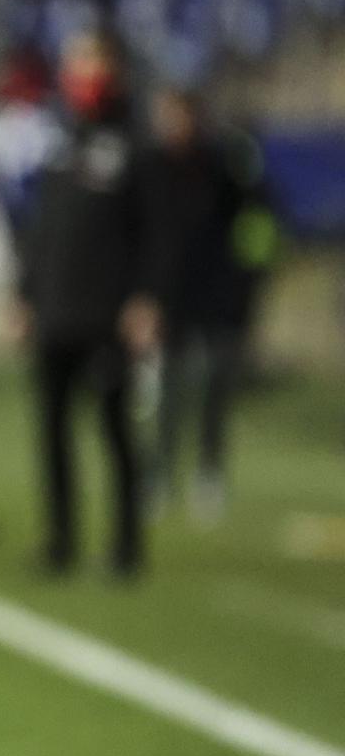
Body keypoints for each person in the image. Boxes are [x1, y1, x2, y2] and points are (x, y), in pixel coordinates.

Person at [14, 31, 159, 577]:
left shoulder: (136, 143)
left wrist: (145, 298)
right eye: (73, 59)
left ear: (115, 66)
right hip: (56, 310)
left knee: (116, 431)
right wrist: (26, 294)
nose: (79, 70)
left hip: (108, 313)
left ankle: (125, 547)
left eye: (90, 59)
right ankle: (60, 542)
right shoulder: (60, 139)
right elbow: (43, 227)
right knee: (52, 431)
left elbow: (152, 232)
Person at [142, 86, 276, 524]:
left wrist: (246, 283)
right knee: (170, 388)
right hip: (171, 294)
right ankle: (161, 473)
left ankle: (208, 472)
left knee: (216, 385)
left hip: (216, 294)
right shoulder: (154, 167)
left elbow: (258, 218)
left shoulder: (222, 166)